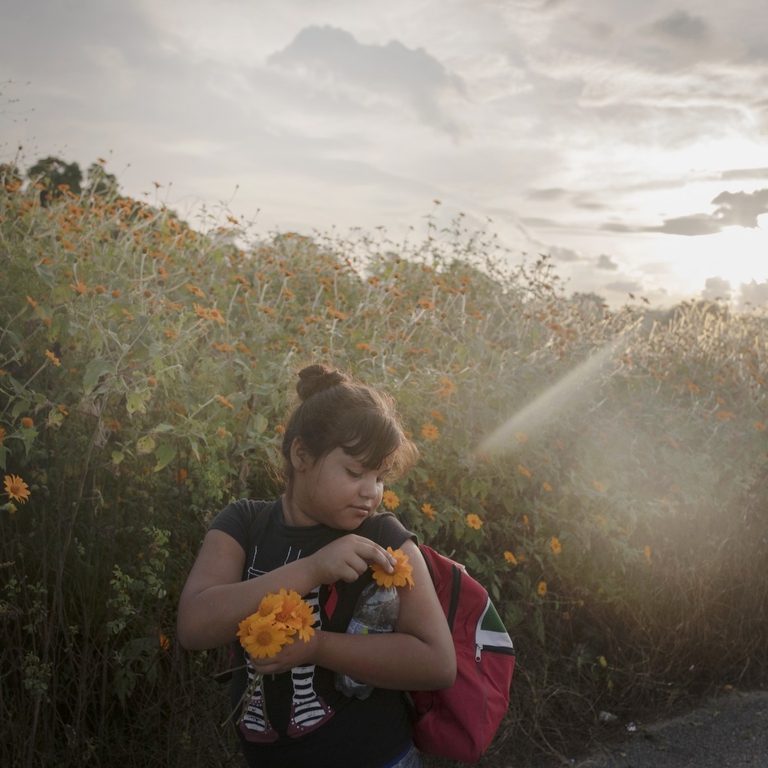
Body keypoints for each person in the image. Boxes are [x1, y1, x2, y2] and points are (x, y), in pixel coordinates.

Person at [178, 363, 456, 768]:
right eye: (355, 472)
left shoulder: (384, 539)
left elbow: (437, 663)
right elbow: (193, 626)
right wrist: (310, 570)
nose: (371, 493)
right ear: (301, 455)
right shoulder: (242, 524)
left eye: (380, 477)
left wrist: (317, 647)